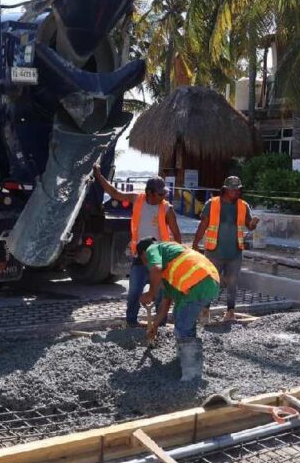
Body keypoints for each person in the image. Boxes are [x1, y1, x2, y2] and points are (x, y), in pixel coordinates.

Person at [93, 164, 182, 327]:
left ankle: (159, 324)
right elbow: (114, 193)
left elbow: (177, 235)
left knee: (161, 294)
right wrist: (98, 175)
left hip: (161, 258)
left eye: (164, 193)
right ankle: (131, 322)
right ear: (149, 192)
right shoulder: (137, 199)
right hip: (140, 257)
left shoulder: (167, 209)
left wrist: (176, 257)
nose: (163, 196)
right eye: (160, 193)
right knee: (134, 292)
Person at [137, 237, 220, 382]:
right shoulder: (169, 267)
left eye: (144, 261)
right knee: (181, 318)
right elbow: (165, 304)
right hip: (208, 282)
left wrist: (150, 294)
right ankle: (184, 361)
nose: (147, 264)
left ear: (144, 253)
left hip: (198, 283)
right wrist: (154, 326)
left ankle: (192, 375)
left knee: (183, 327)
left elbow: (155, 269)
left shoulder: (153, 248)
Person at [192, 176, 259, 322]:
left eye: (238, 190)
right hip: (214, 252)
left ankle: (230, 311)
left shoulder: (243, 206)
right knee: (211, 282)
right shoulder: (212, 204)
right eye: (233, 190)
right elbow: (203, 225)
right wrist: (195, 243)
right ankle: (205, 310)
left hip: (234, 253)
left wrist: (253, 224)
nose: (236, 193)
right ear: (225, 190)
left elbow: (249, 225)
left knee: (232, 283)